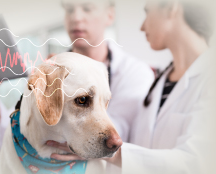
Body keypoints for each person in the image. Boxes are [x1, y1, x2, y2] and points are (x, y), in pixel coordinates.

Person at [0, 0, 155, 157]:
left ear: (110, 15)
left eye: (87, 7)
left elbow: (115, 139)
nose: (76, 17)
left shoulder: (136, 74)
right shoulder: (48, 75)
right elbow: (9, 145)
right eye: (69, 8)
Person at [47, 0, 215, 173]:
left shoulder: (209, 77)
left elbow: (199, 163)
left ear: (171, 7)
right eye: (68, 9)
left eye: (147, 11)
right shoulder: (161, 81)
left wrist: (105, 150)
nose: (142, 27)